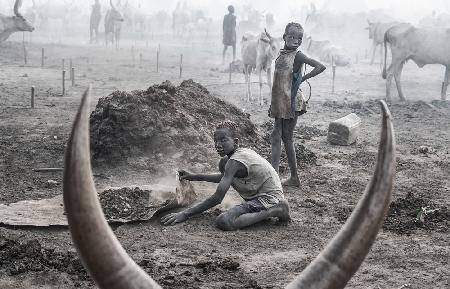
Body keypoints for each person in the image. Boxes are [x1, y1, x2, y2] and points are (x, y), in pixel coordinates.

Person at [161, 121, 290, 231]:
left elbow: (217, 198)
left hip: (269, 198)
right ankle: (271, 208)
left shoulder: (235, 161)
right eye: (216, 141)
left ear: (235, 141)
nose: (218, 145)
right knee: (223, 163)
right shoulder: (234, 157)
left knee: (224, 221)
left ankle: (277, 209)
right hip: (261, 195)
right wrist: (194, 176)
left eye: (223, 140)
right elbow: (224, 178)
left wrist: (185, 214)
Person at [269, 22, 326, 187]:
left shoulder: (298, 56)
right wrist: (272, 104)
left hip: (292, 100)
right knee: (277, 136)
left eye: (299, 38)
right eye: (292, 36)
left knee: (285, 137)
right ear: (284, 37)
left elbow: (320, 66)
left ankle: (284, 178)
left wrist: (303, 78)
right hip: (280, 100)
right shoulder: (281, 54)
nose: (295, 40)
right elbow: (277, 81)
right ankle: (279, 177)